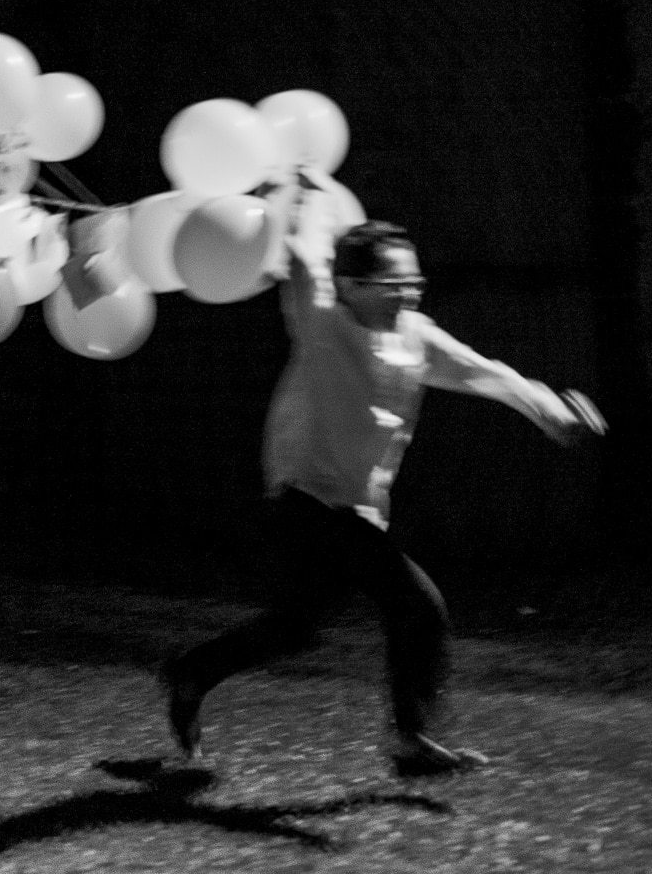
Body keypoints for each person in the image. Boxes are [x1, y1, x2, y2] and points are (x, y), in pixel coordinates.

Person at [158, 219, 606, 776]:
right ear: (350, 286)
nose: (410, 292)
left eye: (415, 281)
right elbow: (296, 246)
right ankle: (410, 741)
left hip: (355, 506)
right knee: (417, 604)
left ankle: (192, 672)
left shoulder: (416, 336)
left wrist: (550, 413)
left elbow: (485, 374)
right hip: (301, 497)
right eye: (395, 283)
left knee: (294, 628)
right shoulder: (321, 320)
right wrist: (287, 195)